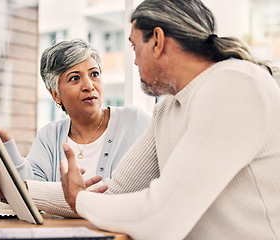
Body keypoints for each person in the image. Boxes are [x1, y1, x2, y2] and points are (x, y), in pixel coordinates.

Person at [58, 0, 280, 239]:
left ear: (157, 40)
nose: (134, 61)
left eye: (134, 47)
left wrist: (80, 200)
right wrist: (20, 190)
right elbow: (114, 193)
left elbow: (158, 220)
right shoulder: (168, 108)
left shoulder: (235, 84)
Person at [0, 39, 150, 183]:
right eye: (74, 78)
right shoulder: (50, 136)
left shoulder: (135, 121)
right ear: (55, 94)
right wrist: (5, 144)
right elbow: (33, 189)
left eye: (94, 74)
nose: (89, 85)